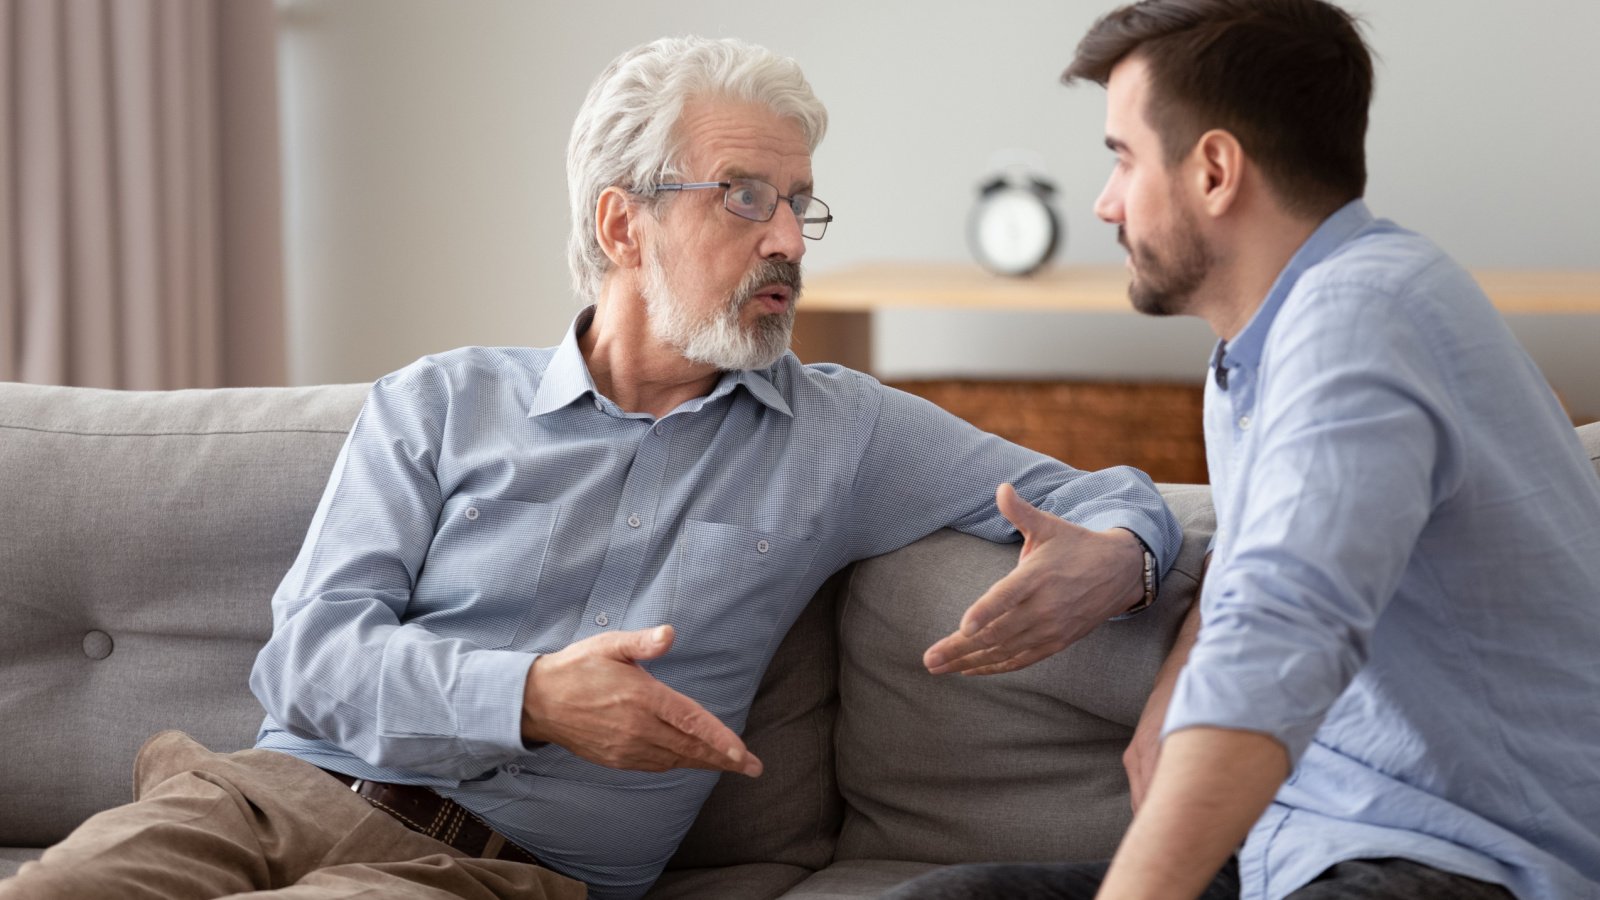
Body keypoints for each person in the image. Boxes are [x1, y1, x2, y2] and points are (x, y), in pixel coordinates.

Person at [0, 36, 1182, 900]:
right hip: (268, 796)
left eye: (800, 206)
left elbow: (1105, 494)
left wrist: (1123, 559)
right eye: (745, 197)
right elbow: (308, 660)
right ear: (623, 228)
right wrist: (533, 697)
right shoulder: (442, 403)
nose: (785, 239)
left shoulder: (844, 431)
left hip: (504, 879)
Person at [885, 1, 1600, 899]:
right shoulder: (1261, 352)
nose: (1105, 202)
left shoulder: (1361, 322)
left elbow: (1283, 633)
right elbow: (1263, 558)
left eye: (1122, 157)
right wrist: (1170, 692)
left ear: (1215, 170)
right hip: (1307, 846)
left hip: (1468, 863)